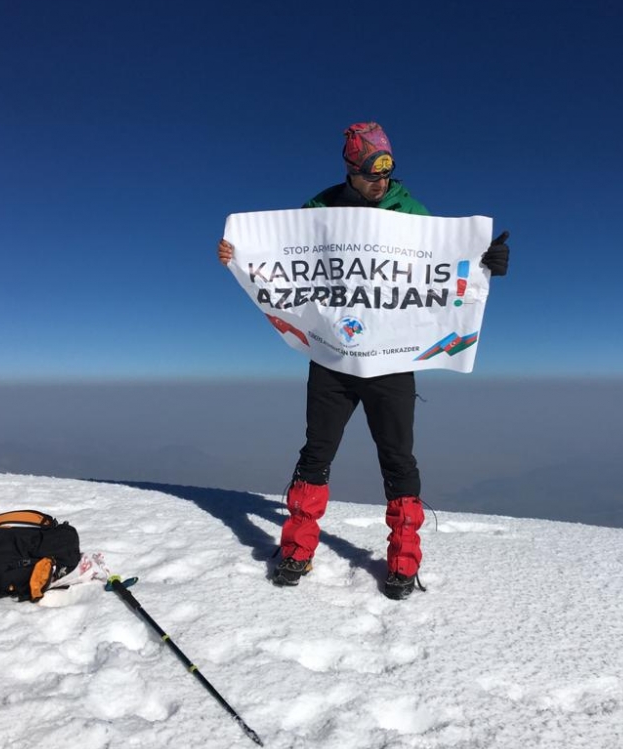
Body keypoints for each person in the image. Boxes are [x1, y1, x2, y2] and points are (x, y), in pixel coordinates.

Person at [218, 121, 509, 600]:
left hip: (391, 361)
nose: (382, 182)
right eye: (372, 173)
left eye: (387, 172)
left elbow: (443, 263)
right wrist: (237, 255)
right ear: (351, 169)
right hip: (333, 356)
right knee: (317, 451)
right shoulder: (319, 210)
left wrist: (487, 262)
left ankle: (403, 559)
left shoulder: (409, 211)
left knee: (397, 457)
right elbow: (286, 259)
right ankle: (297, 549)